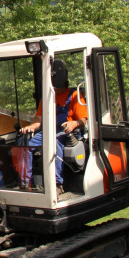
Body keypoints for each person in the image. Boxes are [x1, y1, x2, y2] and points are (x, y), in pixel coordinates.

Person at [19, 59, 87, 194]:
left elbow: (83, 120)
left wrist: (74, 123)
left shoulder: (74, 96)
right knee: (25, 144)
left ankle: (57, 184)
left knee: (54, 143)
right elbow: (39, 119)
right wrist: (32, 126)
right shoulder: (47, 97)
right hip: (48, 131)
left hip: (66, 133)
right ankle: (25, 183)